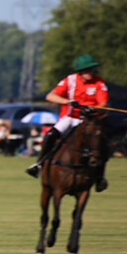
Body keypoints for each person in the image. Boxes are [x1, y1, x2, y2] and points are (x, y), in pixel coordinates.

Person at [25, 54, 110, 192]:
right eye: (88, 70)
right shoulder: (70, 81)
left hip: (89, 121)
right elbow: (50, 96)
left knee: (103, 145)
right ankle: (39, 165)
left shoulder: (99, 83)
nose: (91, 72)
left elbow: (104, 103)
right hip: (70, 117)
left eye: (92, 69)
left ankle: (100, 177)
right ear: (80, 71)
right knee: (51, 135)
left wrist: (94, 108)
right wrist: (68, 102)